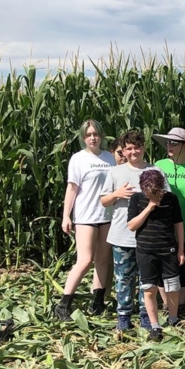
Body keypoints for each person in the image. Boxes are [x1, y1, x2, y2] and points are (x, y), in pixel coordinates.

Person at [100, 130, 168, 331]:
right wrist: (117, 194)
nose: (133, 152)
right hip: (122, 235)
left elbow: (166, 198)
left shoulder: (156, 171)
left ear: (143, 148)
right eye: (128, 148)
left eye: (136, 147)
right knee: (123, 279)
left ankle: (146, 315)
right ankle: (123, 315)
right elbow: (103, 201)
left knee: (147, 281)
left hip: (148, 237)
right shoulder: (115, 172)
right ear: (123, 151)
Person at [54, 120, 116, 321]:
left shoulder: (109, 158)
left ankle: (97, 302)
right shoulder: (78, 159)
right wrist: (66, 216)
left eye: (96, 134)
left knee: (103, 260)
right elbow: (72, 189)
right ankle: (64, 303)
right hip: (86, 216)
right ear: (83, 138)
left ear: (101, 136)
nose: (92, 138)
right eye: (88, 135)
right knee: (85, 260)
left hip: (107, 216)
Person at [127, 170, 184, 341]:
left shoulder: (171, 198)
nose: (154, 195)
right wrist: (149, 207)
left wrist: (180, 249)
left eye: (157, 192)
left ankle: (173, 321)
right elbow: (131, 226)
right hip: (145, 250)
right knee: (149, 289)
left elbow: (178, 224)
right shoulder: (136, 199)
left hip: (168, 249)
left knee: (173, 287)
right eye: (149, 192)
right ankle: (155, 326)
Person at [153, 128, 185, 314]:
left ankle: (181, 305)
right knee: (162, 267)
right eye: (167, 142)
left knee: (184, 265)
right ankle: (167, 304)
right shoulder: (159, 165)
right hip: (163, 227)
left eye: (174, 142)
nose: (169, 146)